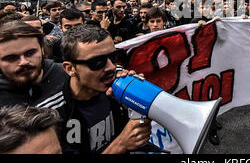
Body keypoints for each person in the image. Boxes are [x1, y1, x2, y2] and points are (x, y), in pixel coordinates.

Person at [58, 25, 152, 154]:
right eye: (97, 62)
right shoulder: (55, 115)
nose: (111, 67)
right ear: (70, 68)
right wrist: (121, 145)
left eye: (113, 57)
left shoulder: (116, 85)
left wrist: (137, 99)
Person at [0, 21, 67, 108]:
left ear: (42, 50)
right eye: (11, 58)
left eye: (30, 53)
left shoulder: (68, 77)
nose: (23, 62)